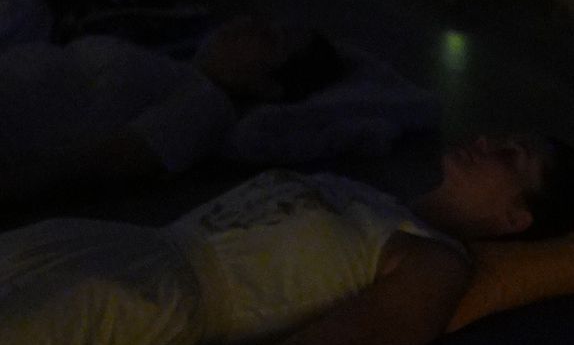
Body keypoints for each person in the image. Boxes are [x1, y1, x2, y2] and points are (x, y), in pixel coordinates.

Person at [1, 134, 574, 345]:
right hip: (105, 247)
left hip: (140, 304)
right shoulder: (371, 195)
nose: (489, 142)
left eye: (514, 157)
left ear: (516, 219)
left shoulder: (432, 263)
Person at [0, 16, 353, 214]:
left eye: (274, 38)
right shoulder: (171, 68)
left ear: (268, 86)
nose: (254, 24)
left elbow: (104, 160)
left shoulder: (204, 106)